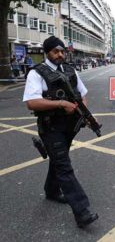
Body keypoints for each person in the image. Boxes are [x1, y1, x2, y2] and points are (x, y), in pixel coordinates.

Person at [23, 36, 98, 228]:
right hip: (50, 127)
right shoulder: (37, 73)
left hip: (69, 126)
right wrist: (60, 103)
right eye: (56, 51)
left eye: (62, 51)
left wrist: (86, 116)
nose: (60, 54)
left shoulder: (70, 70)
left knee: (59, 158)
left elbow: (82, 95)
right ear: (47, 52)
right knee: (64, 166)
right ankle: (82, 212)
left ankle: (51, 190)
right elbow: (31, 102)